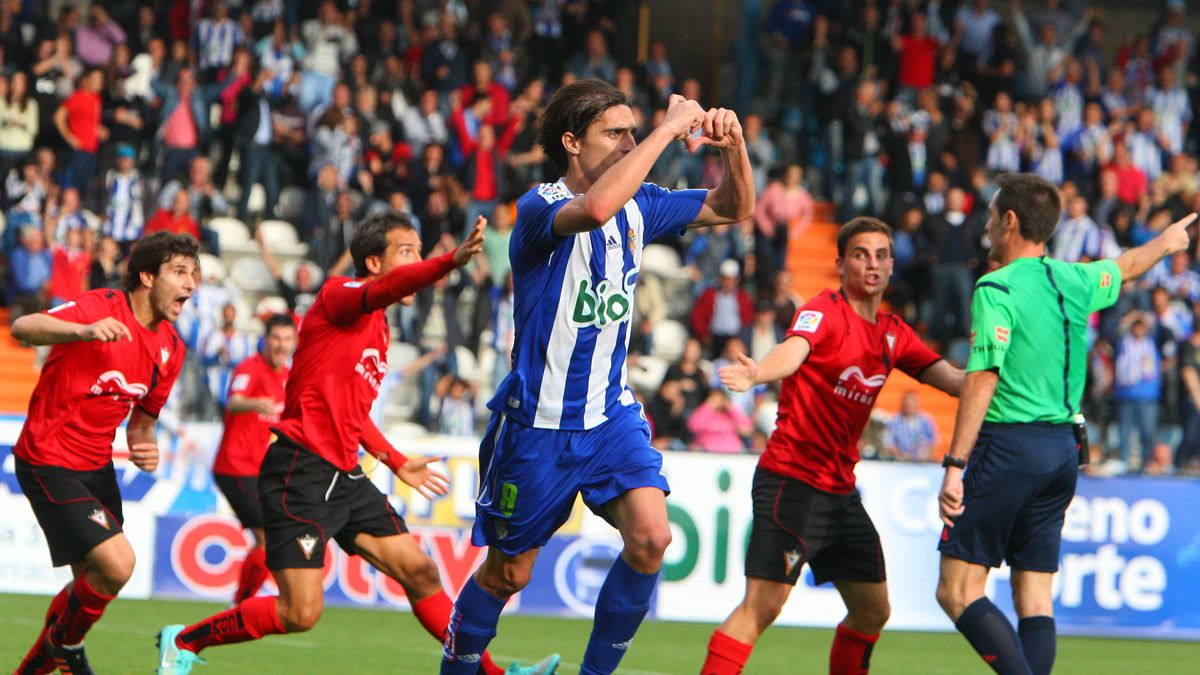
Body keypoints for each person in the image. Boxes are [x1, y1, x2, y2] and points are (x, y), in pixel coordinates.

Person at [441, 80, 754, 675]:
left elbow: (734, 207)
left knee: (652, 539)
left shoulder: (643, 204)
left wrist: (733, 147)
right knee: (510, 573)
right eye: (616, 133)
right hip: (538, 424)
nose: (630, 141)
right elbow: (596, 208)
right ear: (571, 143)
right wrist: (667, 129)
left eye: (635, 130)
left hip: (609, 416)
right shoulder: (539, 208)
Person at [157, 212, 554, 675]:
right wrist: (450, 261)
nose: (415, 259)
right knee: (299, 613)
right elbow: (383, 290)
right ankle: (182, 641)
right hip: (300, 470)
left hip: (345, 477)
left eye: (419, 251)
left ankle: (494, 674)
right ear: (372, 262)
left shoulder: (380, 330)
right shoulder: (338, 296)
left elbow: (352, 411)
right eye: (406, 252)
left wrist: (396, 459)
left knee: (421, 572)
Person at [935, 173, 1194, 675]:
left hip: (1010, 446)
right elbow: (1128, 265)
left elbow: (984, 376)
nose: (986, 226)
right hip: (1062, 455)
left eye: (991, 216)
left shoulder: (996, 287)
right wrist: (1167, 242)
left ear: (1009, 221)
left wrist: (954, 462)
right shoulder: (1075, 280)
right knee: (1034, 597)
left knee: (957, 590)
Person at [700, 217, 964, 675]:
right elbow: (795, 349)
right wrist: (759, 372)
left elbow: (958, 383)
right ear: (841, 263)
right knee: (761, 607)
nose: (873, 264)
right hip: (791, 481)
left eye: (882, 255)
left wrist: (996, 367)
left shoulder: (894, 334)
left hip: (840, 492)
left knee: (873, 609)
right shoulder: (824, 309)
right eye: (861, 254)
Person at [13, 232, 198, 675]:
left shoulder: (171, 349)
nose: (191, 284)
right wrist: (82, 331)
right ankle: (67, 646)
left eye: (195, 274)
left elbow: (143, 421)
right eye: (180, 272)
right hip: (48, 457)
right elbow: (23, 328)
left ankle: (38, 664)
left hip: (96, 468)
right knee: (118, 565)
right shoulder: (101, 306)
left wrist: (144, 446)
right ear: (148, 276)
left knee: (89, 585)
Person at [212, 313, 295, 605]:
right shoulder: (250, 368)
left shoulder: (288, 377)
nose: (281, 345)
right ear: (265, 340)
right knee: (268, 536)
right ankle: (242, 601)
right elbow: (233, 401)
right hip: (234, 466)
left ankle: (244, 598)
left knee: (272, 536)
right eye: (276, 338)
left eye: (287, 339)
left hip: (259, 470)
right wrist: (253, 403)